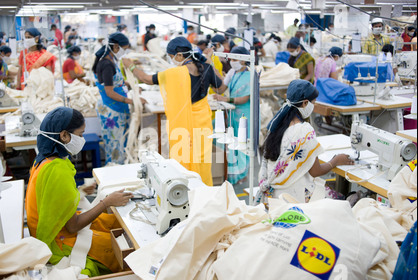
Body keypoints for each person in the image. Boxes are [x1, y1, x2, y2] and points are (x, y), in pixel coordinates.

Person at [25, 107, 133, 277]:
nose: (82, 139)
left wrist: (79, 192)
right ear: (64, 136)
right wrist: (107, 202)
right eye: (80, 135)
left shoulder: (44, 161)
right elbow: (73, 226)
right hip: (56, 242)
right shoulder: (57, 171)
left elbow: (51, 199)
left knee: (111, 222)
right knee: (116, 250)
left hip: (51, 229)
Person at [122, 37, 227, 186]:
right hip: (203, 124)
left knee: (182, 159)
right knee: (202, 161)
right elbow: (221, 88)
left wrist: (131, 66)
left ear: (179, 55)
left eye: (171, 57)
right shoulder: (206, 68)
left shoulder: (173, 73)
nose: (171, 60)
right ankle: (204, 191)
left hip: (182, 126)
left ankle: (184, 192)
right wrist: (210, 62)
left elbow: (146, 79)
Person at [257, 79, 354, 205]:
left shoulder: (277, 124)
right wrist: (336, 161)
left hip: (273, 193)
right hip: (291, 195)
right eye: (313, 103)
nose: (313, 106)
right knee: (342, 201)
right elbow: (316, 171)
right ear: (305, 103)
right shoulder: (304, 130)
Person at [93, 32, 145, 165]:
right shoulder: (107, 64)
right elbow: (109, 92)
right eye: (124, 48)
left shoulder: (110, 60)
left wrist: (130, 85)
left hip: (113, 107)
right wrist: (133, 101)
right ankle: (115, 175)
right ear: (116, 47)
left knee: (119, 144)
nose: (125, 52)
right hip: (112, 110)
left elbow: (111, 82)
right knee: (115, 147)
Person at [212, 46, 251, 184]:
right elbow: (222, 88)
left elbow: (245, 98)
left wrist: (225, 99)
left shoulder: (250, 75)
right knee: (233, 144)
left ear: (243, 60)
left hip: (244, 114)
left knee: (242, 144)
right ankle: (233, 173)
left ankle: (242, 175)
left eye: (235, 59)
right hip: (233, 111)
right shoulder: (232, 72)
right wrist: (214, 73)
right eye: (232, 59)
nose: (232, 61)